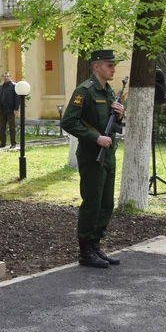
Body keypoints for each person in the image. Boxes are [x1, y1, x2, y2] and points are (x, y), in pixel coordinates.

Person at [60, 49, 126, 269]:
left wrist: (119, 114)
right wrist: (95, 138)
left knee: (106, 202)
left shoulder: (109, 92)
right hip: (92, 155)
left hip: (109, 155)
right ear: (97, 67)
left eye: (113, 65)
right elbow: (69, 122)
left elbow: (112, 126)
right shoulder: (85, 91)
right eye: (109, 65)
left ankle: (96, 246)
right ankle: (85, 250)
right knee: (93, 202)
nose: (113, 69)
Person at [0, 72, 18, 149]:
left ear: (10, 77)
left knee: (12, 127)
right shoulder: (0, 87)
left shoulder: (14, 86)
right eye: (5, 76)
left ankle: (13, 143)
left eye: (7, 76)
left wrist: (16, 109)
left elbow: (17, 99)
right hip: (2, 110)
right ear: (3, 78)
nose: (6, 77)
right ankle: (2, 143)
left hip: (10, 110)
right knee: (2, 127)